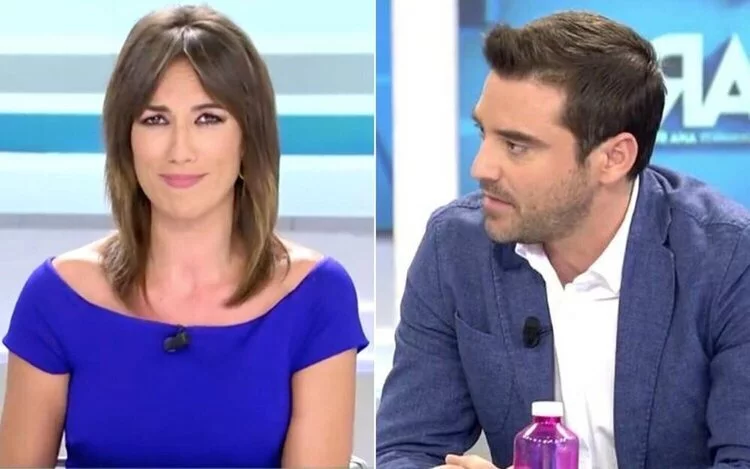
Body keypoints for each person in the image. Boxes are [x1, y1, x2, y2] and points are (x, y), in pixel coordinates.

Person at [376, 10, 750, 469]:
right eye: (483, 133)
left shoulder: (729, 259)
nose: (481, 167)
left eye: (516, 145)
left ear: (613, 158)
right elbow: (406, 449)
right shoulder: (455, 247)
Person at [0, 5, 369, 468]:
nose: (180, 150)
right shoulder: (56, 297)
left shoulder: (315, 296)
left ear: (248, 138)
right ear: (125, 139)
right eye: (155, 120)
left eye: (208, 118)